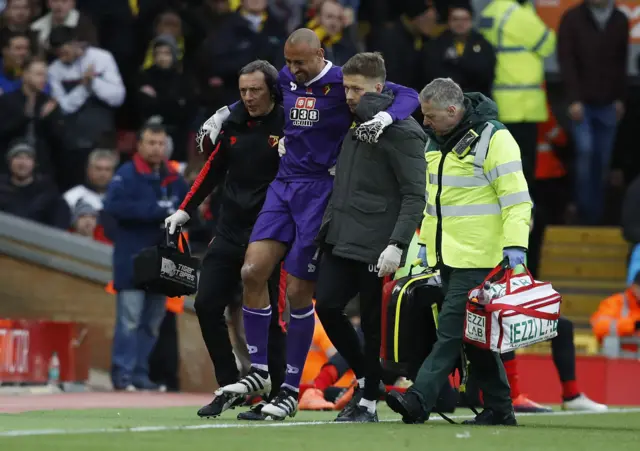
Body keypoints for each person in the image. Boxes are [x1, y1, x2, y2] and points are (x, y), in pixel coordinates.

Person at [201, 30, 420, 421]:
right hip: (283, 186)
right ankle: (261, 373)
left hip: (321, 193)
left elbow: (409, 95)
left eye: (300, 62)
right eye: (288, 62)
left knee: (299, 292)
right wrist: (223, 113)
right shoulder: (286, 80)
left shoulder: (344, 82)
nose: (292, 70)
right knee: (252, 271)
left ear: (320, 55)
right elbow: (256, 96)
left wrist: (386, 116)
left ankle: (288, 390)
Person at [385, 78, 532, 426]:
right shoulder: (436, 142)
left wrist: (516, 246)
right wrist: (423, 249)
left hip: (481, 258)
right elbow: (433, 205)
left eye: (431, 115)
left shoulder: (495, 139)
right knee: (473, 337)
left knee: (451, 330)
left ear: (453, 110)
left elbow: (516, 200)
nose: (425, 122)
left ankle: (419, 398)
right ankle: (499, 408)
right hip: (446, 256)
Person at [164, 60, 287, 417]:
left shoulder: (288, 122)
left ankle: (276, 393)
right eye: (243, 91)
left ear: (272, 91)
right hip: (230, 229)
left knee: (273, 317)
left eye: (256, 90)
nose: (248, 97)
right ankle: (230, 383)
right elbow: (213, 168)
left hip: (271, 232)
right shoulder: (232, 123)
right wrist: (184, 210)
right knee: (205, 305)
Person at [314, 52, 426, 423]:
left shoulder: (403, 131)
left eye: (356, 89)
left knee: (374, 324)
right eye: (346, 87)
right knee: (327, 305)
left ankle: (367, 403)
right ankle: (367, 380)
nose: (348, 95)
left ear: (379, 88)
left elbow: (415, 195)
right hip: (341, 234)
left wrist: (397, 244)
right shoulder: (352, 123)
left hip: (378, 242)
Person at [103, 122, 188, 391]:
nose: (156, 148)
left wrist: (170, 212)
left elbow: (189, 206)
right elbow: (113, 206)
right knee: (129, 321)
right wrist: (157, 210)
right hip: (132, 258)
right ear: (139, 145)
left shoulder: (174, 177)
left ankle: (140, 374)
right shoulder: (126, 173)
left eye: (161, 143)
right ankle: (123, 375)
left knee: (152, 323)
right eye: (151, 143)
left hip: (164, 258)